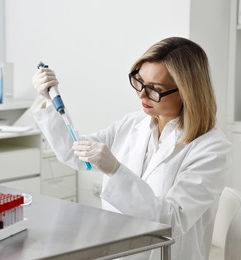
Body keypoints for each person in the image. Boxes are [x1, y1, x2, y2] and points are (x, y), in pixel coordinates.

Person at [31, 37, 232, 260]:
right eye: (139, 81)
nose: (141, 94)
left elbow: (171, 221)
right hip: (116, 251)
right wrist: (48, 98)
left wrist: (116, 171)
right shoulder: (132, 124)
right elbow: (74, 152)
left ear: (187, 92)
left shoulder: (212, 149)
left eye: (154, 89)